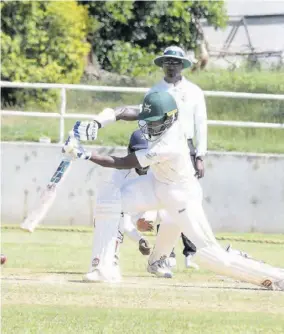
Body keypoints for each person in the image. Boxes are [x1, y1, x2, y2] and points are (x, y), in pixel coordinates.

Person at [64, 90, 284, 290]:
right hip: (157, 183)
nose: (149, 127)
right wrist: (97, 122)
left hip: (181, 195)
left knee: (209, 254)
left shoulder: (168, 144)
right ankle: (104, 268)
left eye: (154, 123)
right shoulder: (161, 115)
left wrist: (85, 154)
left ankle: (274, 276)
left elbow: (123, 162)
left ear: (170, 118)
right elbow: (124, 111)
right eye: (147, 121)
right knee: (110, 199)